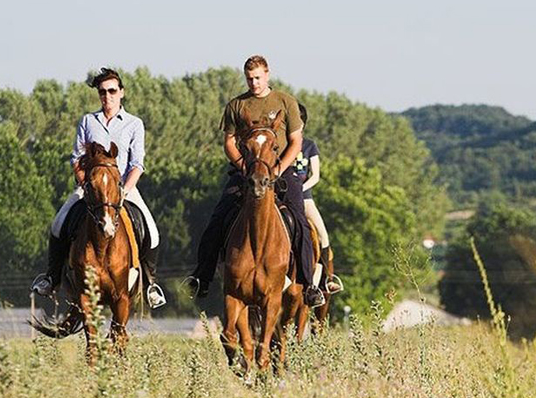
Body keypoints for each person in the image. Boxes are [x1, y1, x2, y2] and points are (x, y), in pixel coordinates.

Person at [186, 55, 325, 308]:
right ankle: (202, 277)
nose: (254, 83)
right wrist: (245, 166)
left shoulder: (285, 101)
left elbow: (296, 141)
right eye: (249, 79)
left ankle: (309, 285)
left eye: (258, 78)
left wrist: (280, 168)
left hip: (282, 171)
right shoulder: (236, 106)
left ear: (267, 74)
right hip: (246, 173)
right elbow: (229, 142)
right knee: (218, 219)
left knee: (300, 222)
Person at [31, 67, 166, 309]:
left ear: (121, 92)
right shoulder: (87, 121)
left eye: (112, 91)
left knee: (152, 231)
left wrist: (124, 189)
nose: (107, 96)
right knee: (59, 222)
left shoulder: (134, 124)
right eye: (102, 92)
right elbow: (76, 159)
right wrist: (86, 184)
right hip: (90, 189)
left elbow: (137, 163)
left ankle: (150, 285)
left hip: (123, 188)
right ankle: (52, 277)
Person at [294, 103, 343, 295]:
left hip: (304, 199)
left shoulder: (309, 145)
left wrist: (300, 190)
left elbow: (315, 176)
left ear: (303, 123)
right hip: (280, 198)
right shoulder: (279, 144)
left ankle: (325, 281)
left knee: (323, 236)